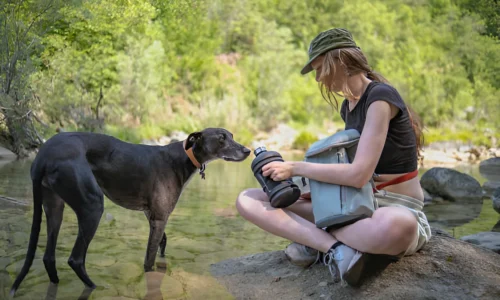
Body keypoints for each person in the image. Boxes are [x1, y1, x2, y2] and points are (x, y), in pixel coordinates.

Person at [235, 28, 431, 285]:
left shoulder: (380, 97)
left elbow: (359, 174)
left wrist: (295, 168)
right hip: (353, 207)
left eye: (319, 68)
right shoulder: (347, 106)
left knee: (399, 226)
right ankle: (338, 251)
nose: (318, 78)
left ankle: (316, 240)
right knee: (248, 199)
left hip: (391, 207)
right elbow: (351, 174)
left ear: (338, 61)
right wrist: (307, 191)